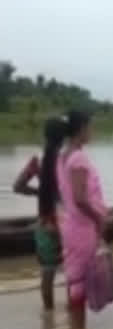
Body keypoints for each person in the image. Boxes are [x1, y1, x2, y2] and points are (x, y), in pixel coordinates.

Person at [56, 110, 108, 327]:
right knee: (79, 282)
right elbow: (79, 198)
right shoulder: (78, 158)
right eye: (90, 127)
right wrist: (98, 218)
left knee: (75, 279)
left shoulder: (65, 155)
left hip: (73, 224)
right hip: (82, 228)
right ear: (81, 129)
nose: (92, 132)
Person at [13, 118, 67, 309]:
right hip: (66, 224)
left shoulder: (37, 159)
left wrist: (39, 192)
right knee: (72, 272)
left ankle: (49, 319)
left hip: (45, 223)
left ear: (45, 136)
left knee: (47, 272)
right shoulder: (66, 160)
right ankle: (72, 317)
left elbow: (18, 186)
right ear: (63, 139)